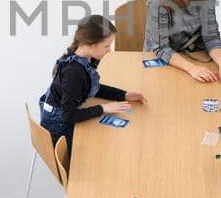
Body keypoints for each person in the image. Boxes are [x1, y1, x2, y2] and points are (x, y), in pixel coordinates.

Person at [38, 14, 145, 165]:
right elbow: (68, 116)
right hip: (60, 129)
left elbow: (90, 87)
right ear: (91, 44)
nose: (110, 51)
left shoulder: (86, 58)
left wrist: (124, 95)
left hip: (67, 113)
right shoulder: (73, 74)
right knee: (103, 154)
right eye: (107, 46)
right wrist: (103, 108)